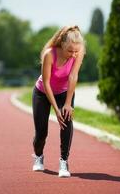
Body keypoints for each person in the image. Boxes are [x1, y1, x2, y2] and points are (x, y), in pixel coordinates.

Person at [32, 25, 86, 177]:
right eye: (70, 51)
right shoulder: (50, 54)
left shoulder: (78, 51)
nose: (73, 54)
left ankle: (64, 161)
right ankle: (38, 157)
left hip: (64, 92)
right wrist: (56, 109)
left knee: (67, 121)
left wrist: (67, 104)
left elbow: (73, 76)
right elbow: (47, 82)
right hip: (43, 92)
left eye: (76, 51)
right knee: (41, 132)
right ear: (62, 44)